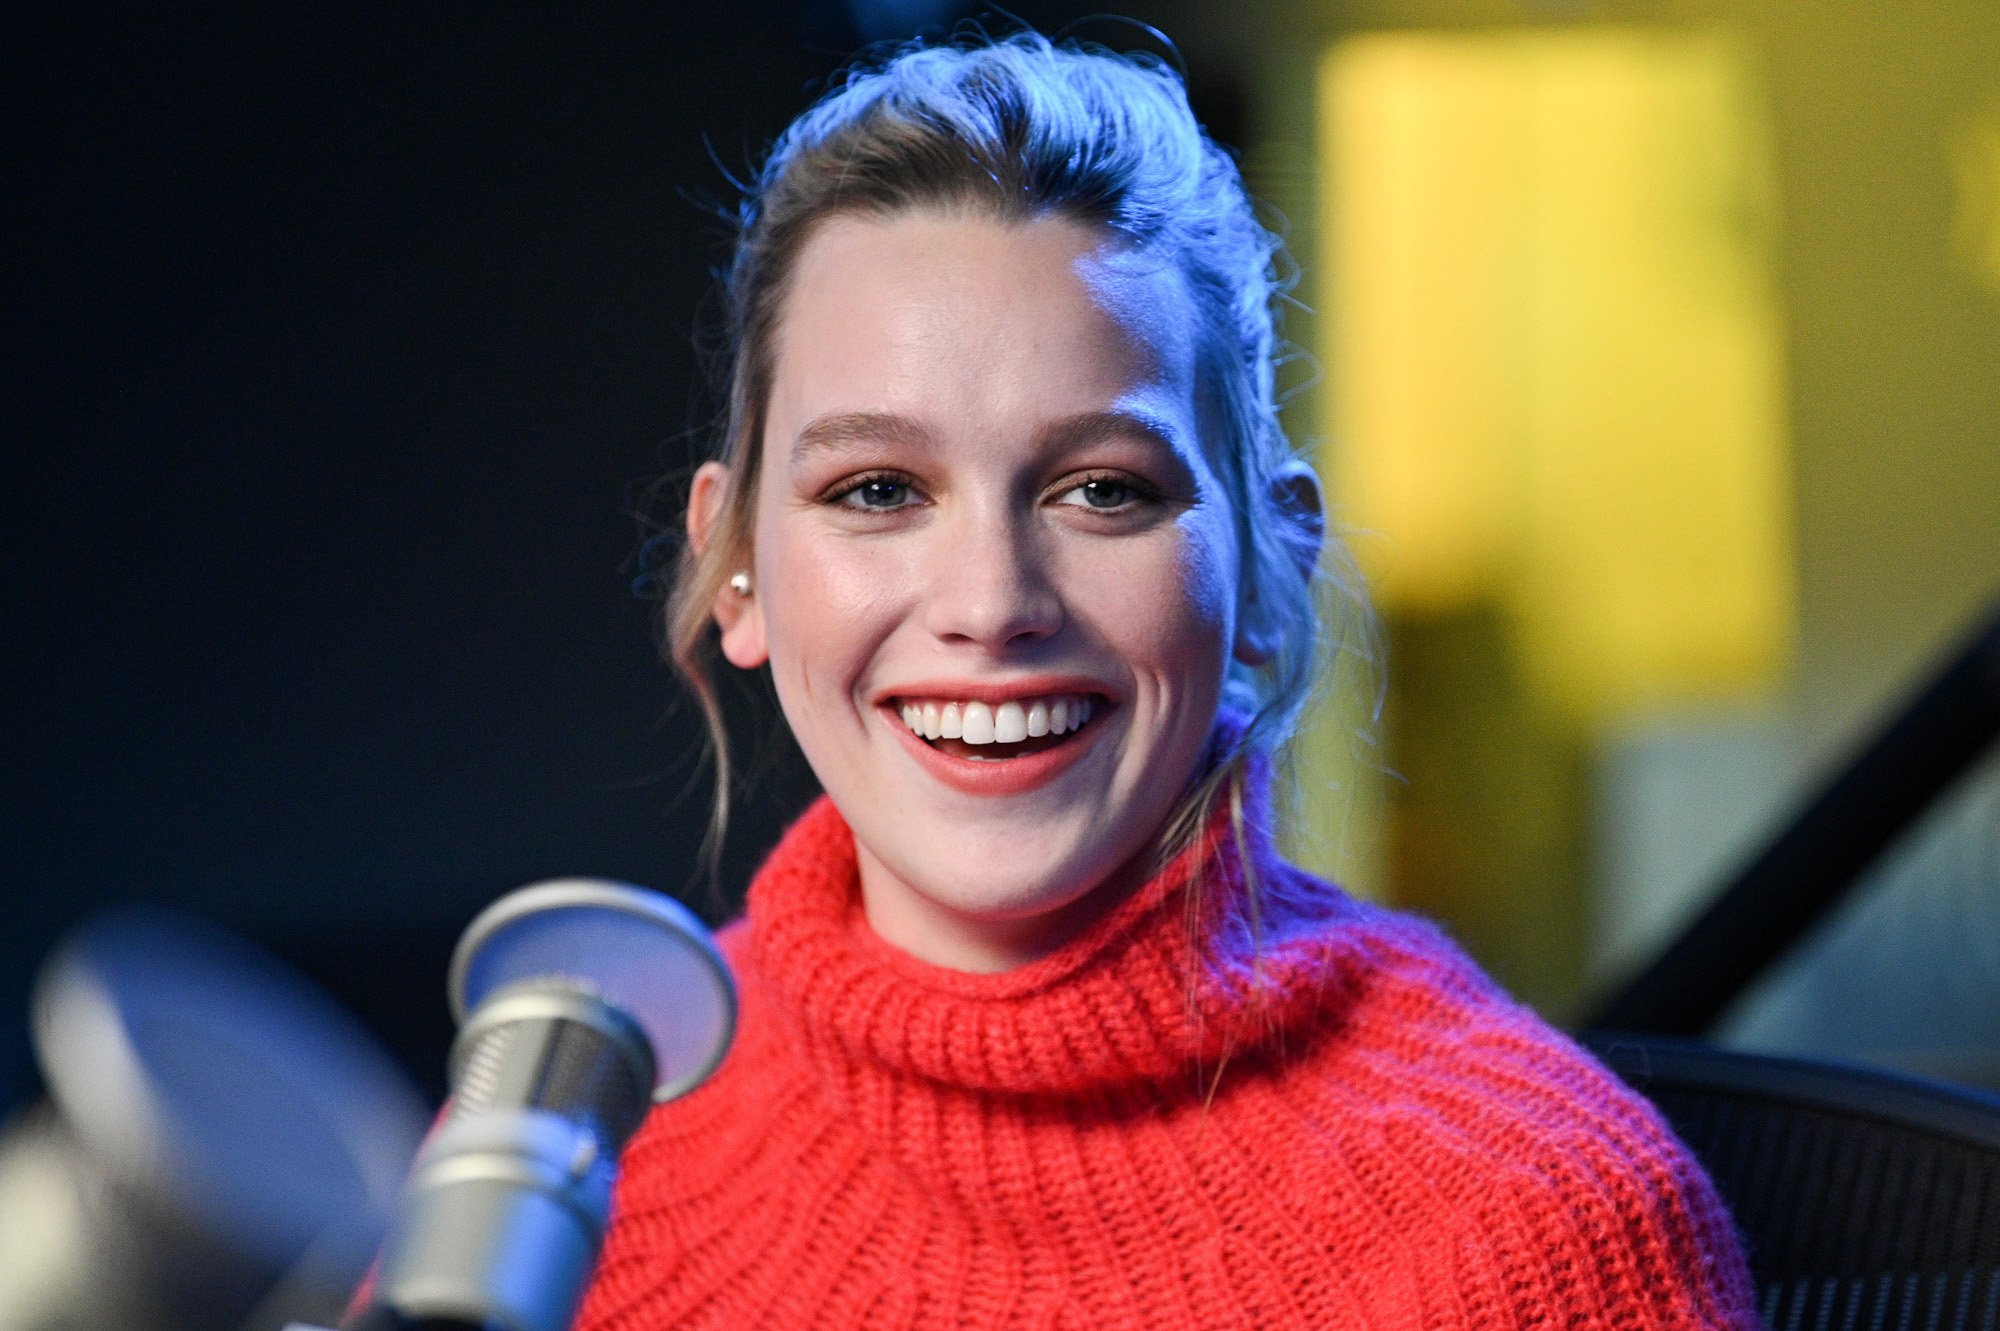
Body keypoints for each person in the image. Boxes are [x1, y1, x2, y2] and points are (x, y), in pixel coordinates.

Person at [577, 30, 1758, 1331]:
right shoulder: (580, 1127)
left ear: (1268, 562)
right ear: (737, 565)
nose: (990, 605)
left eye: (1102, 491)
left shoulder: (1540, 1225)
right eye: (877, 491)